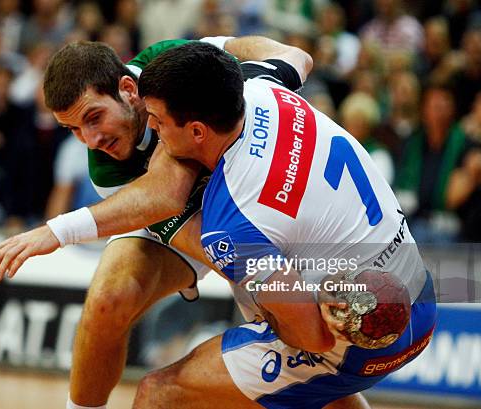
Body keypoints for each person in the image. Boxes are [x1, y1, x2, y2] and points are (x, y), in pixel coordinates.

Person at [0, 36, 342, 409]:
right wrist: (270, 274)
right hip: (202, 228)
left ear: (128, 89)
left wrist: (249, 77)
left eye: (93, 117)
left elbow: (266, 51)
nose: (91, 140)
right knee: (107, 299)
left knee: (314, 367)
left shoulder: (168, 63)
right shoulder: (107, 170)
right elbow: (190, 228)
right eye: (73, 130)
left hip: (255, 198)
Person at [131, 41, 436, 409]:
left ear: (198, 131)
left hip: (358, 340)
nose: (152, 128)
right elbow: (299, 56)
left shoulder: (230, 218)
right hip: (417, 297)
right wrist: (222, 44)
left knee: (159, 393)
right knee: (320, 392)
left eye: (158, 120)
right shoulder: (263, 87)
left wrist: (160, 216)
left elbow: (312, 338)